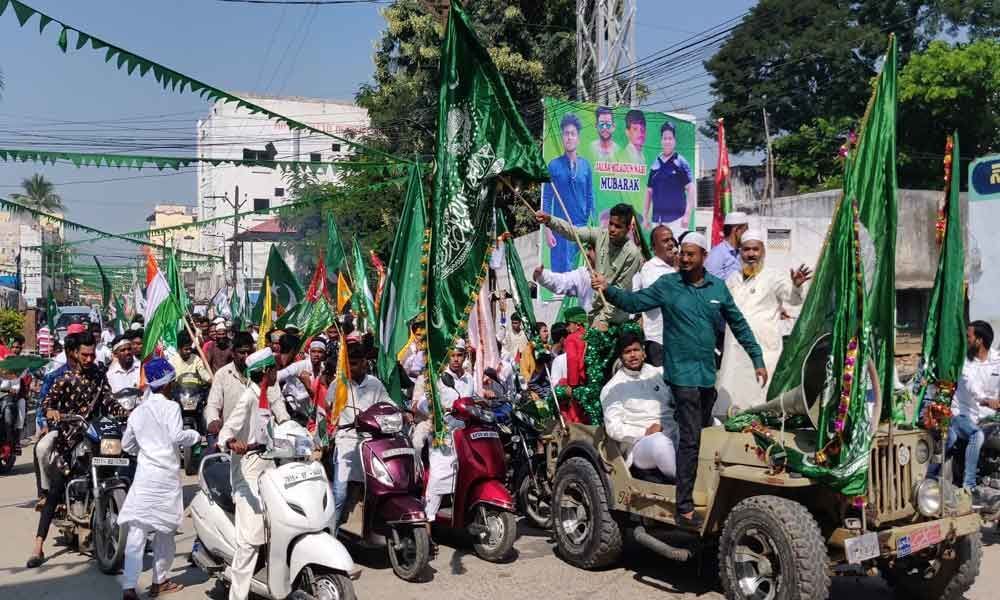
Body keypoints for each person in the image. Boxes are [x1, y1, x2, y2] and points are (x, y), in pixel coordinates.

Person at [593, 230, 766, 527]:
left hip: (706, 375)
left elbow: (738, 324)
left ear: (703, 257)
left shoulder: (718, 289)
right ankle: (684, 505)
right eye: (681, 253)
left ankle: (695, 483)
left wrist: (757, 359)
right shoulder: (667, 285)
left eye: (689, 254)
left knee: (703, 430)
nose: (683, 258)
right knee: (690, 436)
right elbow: (634, 302)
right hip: (681, 374)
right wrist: (608, 289)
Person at [29, 331, 125, 568]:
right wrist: (52, 412)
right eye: (85, 354)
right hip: (69, 439)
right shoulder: (64, 378)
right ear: (74, 353)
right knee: (56, 489)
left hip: (94, 436)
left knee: (123, 469)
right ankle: (38, 545)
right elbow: (47, 402)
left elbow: (108, 401)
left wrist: (125, 411)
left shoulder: (99, 376)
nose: (90, 358)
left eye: (92, 354)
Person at [118, 358, 199, 600]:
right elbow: (177, 435)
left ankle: (129, 586)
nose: (173, 385)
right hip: (165, 477)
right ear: (165, 384)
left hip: (144, 476)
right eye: (171, 381)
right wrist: (194, 435)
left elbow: (127, 444)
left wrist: (145, 450)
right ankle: (159, 581)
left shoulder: (138, 411)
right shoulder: (171, 407)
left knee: (137, 531)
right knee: (165, 530)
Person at [217, 347, 289, 600]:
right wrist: (230, 442)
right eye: (274, 368)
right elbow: (226, 431)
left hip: (268, 470)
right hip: (247, 473)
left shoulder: (267, 395)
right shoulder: (249, 397)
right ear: (266, 371)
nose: (277, 371)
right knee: (249, 542)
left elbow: (278, 429)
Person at [715, 231, 811, 417]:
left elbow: (792, 299)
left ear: (763, 251)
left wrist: (797, 286)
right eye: (746, 249)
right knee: (733, 398)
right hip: (735, 349)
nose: (751, 254)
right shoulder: (732, 280)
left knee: (760, 400)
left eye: (755, 249)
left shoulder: (774, 276)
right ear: (740, 252)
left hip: (764, 349)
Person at [536, 203, 643, 328]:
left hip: (616, 319)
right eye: (611, 224)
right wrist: (550, 220)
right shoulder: (600, 235)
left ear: (628, 228)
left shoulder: (632, 253)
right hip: (594, 315)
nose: (612, 229)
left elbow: (619, 292)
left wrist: (602, 320)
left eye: (618, 226)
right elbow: (573, 232)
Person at [328, 338, 391, 529]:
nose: (356, 367)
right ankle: (331, 532)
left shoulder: (374, 383)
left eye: (360, 362)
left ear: (366, 362)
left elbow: (387, 403)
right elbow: (327, 411)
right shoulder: (339, 385)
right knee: (340, 493)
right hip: (347, 441)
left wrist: (401, 413)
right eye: (352, 363)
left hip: (372, 443)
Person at [601, 330, 678, 479]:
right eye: (627, 352)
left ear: (643, 352)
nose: (633, 355)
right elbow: (613, 428)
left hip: (672, 429)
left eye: (636, 350)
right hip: (641, 444)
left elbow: (675, 400)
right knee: (660, 443)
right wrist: (645, 432)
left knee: (710, 425)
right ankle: (686, 486)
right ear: (621, 357)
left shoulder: (658, 374)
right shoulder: (612, 388)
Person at [425, 341, 475, 522]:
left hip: (466, 435)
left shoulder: (469, 378)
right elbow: (423, 403)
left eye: (459, 355)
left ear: (464, 357)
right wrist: (439, 408)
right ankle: (427, 524)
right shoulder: (438, 377)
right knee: (438, 478)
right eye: (452, 355)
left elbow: (472, 400)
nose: (456, 359)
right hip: (444, 435)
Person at [948, 321, 1000, 492]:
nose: (966, 339)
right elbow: (971, 387)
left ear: (979, 340)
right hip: (962, 414)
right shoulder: (964, 361)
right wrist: (987, 400)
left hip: (987, 416)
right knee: (976, 435)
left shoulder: (996, 360)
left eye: (968, 336)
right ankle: (968, 486)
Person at [542, 112, 595, 273]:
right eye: (566, 134)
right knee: (562, 277)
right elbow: (546, 198)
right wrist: (548, 229)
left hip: (581, 229)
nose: (569, 137)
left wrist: (590, 227)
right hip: (560, 229)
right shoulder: (553, 166)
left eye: (573, 134)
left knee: (582, 275)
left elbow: (590, 197)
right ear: (562, 137)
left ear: (578, 138)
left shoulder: (585, 166)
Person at [632, 225, 678, 367]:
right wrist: (677, 270)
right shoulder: (650, 269)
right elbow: (665, 295)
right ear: (653, 247)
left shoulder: (679, 267)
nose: (671, 244)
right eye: (665, 241)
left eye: (672, 239)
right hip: (659, 342)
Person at [644, 122, 695, 232]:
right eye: (665, 138)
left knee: (676, 249)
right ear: (661, 141)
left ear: (674, 141)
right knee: (657, 248)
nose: (667, 141)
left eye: (670, 138)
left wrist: (687, 215)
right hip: (657, 220)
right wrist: (645, 216)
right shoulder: (655, 164)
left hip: (677, 220)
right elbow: (649, 192)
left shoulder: (680, 162)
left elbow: (691, 189)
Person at [205, 332, 256, 442]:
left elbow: (275, 401)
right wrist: (214, 420)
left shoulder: (261, 372)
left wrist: (284, 421)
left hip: (256, 439)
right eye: (242, 353)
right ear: (233, 353)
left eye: (249, 352)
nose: (246, 356)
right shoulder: (222, 374)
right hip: (232, 440)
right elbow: (213, 403)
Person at [533, 243, 597, 314]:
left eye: (591, 249)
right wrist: (542, 275)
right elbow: (562, 281)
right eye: (588, 249)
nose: (587, 253)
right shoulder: (583, 274)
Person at [554, 307, 589, 423]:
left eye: (568, 324)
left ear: (578, 324)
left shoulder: (571, 339)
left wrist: (572, 385)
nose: (567, 328)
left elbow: (573, 360)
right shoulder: (590, 335)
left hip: (579, 383)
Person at [705, 211, 749, 281]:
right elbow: (714, 285)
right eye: (745, 231)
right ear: (737, 230)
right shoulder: (717, 254)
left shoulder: (741, 253)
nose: (747, 235)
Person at [106, 336, 142, 410]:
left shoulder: (142, 368)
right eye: (123, 350)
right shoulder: (110, 374)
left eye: (129, 349)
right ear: (116, 354)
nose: (127, 352)